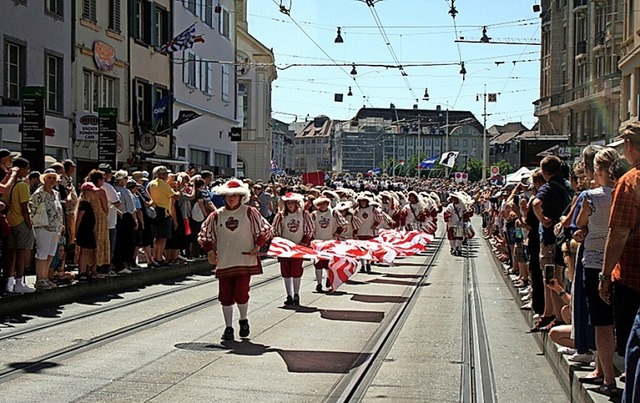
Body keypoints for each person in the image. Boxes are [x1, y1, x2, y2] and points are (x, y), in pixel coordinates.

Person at [197, 179, 272, 341]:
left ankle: (243, 319)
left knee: (241, 292)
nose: (231, 198)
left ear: (240, 197)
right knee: (225, 295)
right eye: (228, 196)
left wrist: (258, 246)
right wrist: (209, 250)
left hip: (245, 259)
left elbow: (265, 230)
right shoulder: (216, 215)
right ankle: (228, 327)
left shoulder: (250, 212)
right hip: (225, 260)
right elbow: (204, 234)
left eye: (235, 196)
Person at [598, 123, 640, 402]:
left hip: (633, 276)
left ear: (628, 146)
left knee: (634, 348)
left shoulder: (631, 181)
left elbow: (619, 233)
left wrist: (603, 276)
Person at [574, 148, 619, 395]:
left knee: (601, 323)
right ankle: (602, 370)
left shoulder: (591, 196)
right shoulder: (626, 191)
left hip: (594, 263)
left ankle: (608, 379)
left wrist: (585, 230)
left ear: (599, 171)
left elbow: (580, 223)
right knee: (613, 321)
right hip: (619, 262)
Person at [531, 156, 571, 331]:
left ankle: (555, 316)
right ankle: (551, 314)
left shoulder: (548, 187)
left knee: (550, 277)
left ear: (545, 172)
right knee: (560, 276)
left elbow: (536, 203)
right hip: (566, 237)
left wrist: (543, 218)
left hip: (550, 238)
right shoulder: (568, 185)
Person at [272, 192, 314, 305]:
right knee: (285, 271)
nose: (290, 205)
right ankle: (289, 295)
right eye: (288, 203)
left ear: (297, 203)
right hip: (284, 248)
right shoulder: (280, 215)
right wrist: (279, 243)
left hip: (298, 247)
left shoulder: (304, 214)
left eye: (292, 203)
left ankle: (296, 294)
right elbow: (275, 230)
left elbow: (310, 229)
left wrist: (304, 242)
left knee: (296, 270)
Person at [3, 157, 35, 293]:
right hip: (21, 221)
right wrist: (29, 224)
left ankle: (9, 282)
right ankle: (19, 281)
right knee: (22, 252)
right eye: (26, 169)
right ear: (21, 169)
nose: (27, 172)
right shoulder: (22, 186)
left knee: (11, 252)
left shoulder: (8, 185)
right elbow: (24, 208)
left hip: (9, 221)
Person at [30, 169, 64, 290]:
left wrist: (61, 226)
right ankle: (40, 279)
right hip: (43, 227)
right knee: (42, 252)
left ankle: (46, 278)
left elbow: (59, 210)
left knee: (50, 253)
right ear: (44, 179)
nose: (51, 181)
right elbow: (32, 210)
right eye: (49, 178)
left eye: (54, 178)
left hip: (55, 227)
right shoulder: (38, 193)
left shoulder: (56, 194)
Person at [310, 195, 347, 292]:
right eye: (320, 204)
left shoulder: (334, 213)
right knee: (317, 263)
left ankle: (328, 278)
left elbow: (343, 224)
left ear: (328, 204)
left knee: (328, 264)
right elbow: (309, 227)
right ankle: (318, 284)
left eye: (324, 203)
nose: (322, 205)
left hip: (330, 242)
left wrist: (337, 233)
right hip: (318, 243)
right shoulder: (314, 214)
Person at [148, 166, 179, 265]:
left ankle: (155, 256)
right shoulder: (163, 184)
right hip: (164, 211)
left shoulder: (152, 184)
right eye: (165, 174)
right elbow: (176, 196)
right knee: (163, 237)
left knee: (157, 237)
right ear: (160, 175)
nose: (166, 175)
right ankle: (159, 257)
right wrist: (177, 189)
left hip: (155, 210)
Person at [75, 182, 98, 281]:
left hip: (88, 229)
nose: (93, 193)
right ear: (86, 192)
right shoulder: (83, 203)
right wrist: (75, 232)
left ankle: (84, 270)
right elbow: (79, 218)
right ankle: (81, 271)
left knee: (87, 251)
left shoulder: (88, 203)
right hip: (84, 230)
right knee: (83, 251)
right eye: (92, 191)